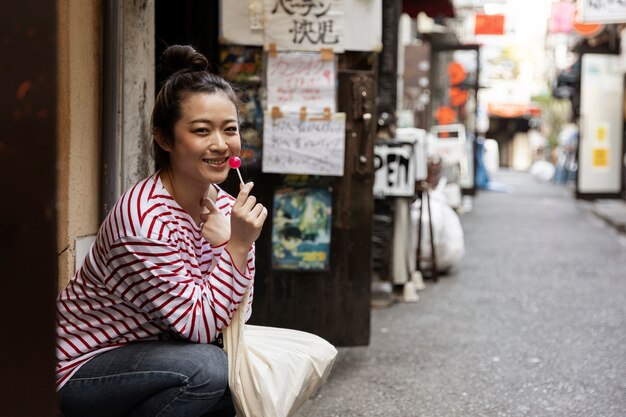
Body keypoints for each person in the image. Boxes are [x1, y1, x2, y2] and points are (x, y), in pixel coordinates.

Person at [56, 45, 267, 417]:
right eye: (202, 131)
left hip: (151, 352)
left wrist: (234, 243)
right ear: (165, 139)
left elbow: (237, 314)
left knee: (232, 380)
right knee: (207, 370)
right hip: (79, 367)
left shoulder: (218, 203)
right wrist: (237, 246)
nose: (221, 144)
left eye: (229, 130)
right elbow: (200, 328)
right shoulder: (144, 221)